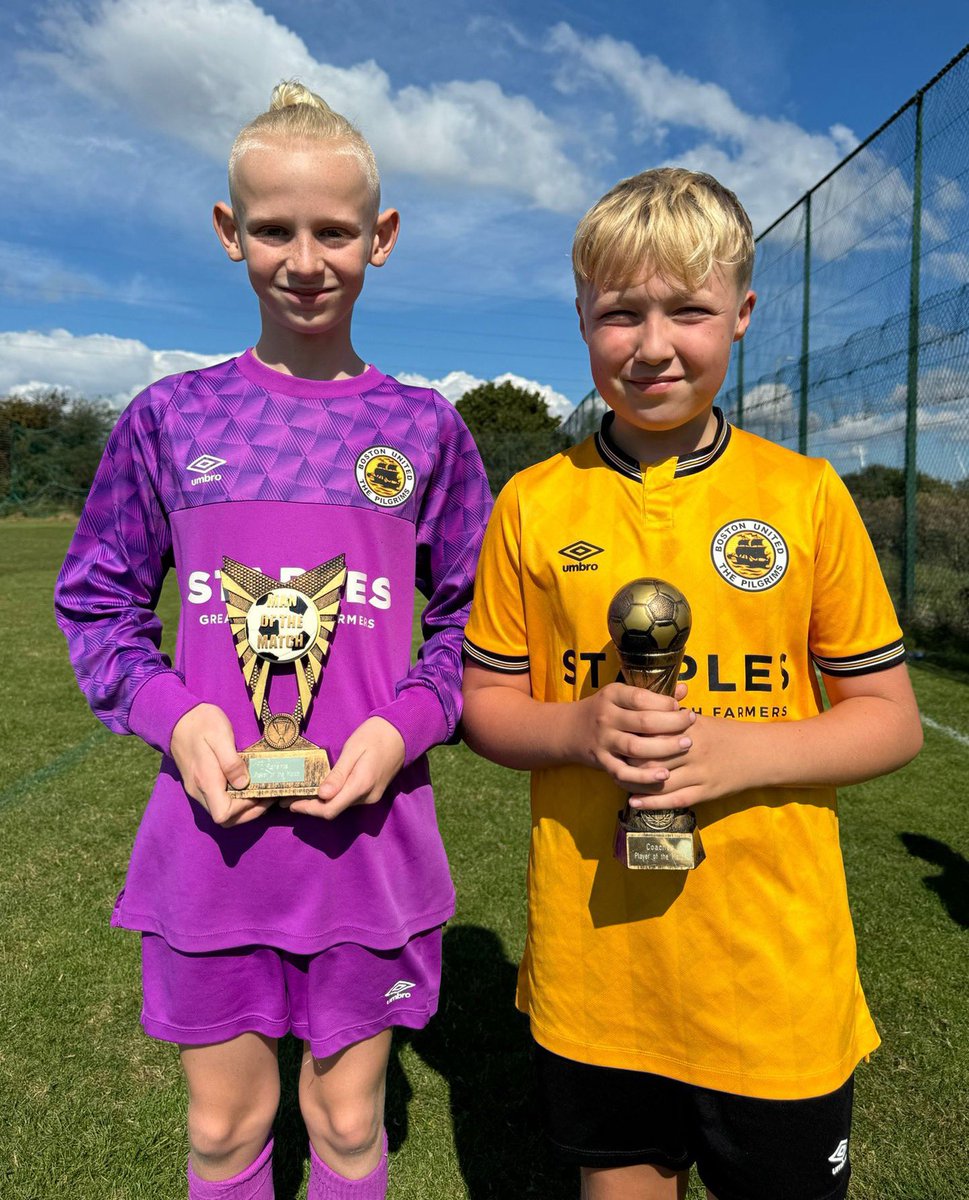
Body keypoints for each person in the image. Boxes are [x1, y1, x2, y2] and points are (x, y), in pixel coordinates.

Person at [55, 81, 491, 1200]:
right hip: (213, 854)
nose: (306, 259)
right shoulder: (171, 419)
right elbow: (99, 604)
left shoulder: (423, 430)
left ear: (379, 239)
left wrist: (398, 730)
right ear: (229, 232)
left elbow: (473, 629)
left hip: (372, 853)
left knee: (347, 1129)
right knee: (220, 1129)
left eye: (335, 231)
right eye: (276, 230)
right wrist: (180, 714)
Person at [460, 167, 923, 1200]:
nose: (654, 344)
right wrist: (578, 728)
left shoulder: (803, 497)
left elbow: (890, 722)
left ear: (745, 315)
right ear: (581, 315)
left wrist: (739, 750)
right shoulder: (534, 505)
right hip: (600, 977)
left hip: (774, 979)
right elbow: (484, 706)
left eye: (691, 311)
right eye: (621, 313)